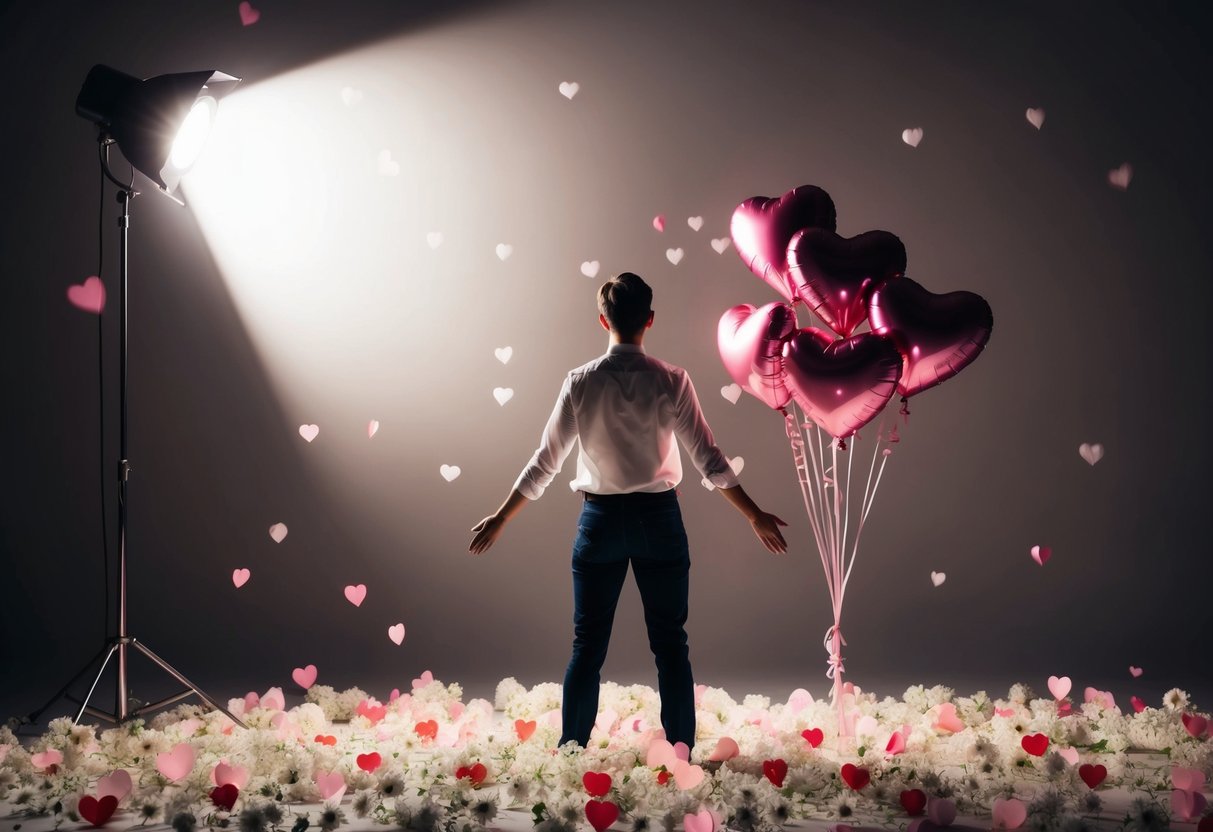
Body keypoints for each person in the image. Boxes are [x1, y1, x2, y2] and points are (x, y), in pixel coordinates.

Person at [469, 271, 787, 751]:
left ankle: (572, 748)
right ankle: (681, 751)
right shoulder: (672, 379)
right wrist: (753, 513)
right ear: (650, 320)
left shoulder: (580, 382)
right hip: (659, 521)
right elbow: (709, 457)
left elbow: (545, 463)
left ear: (603, 320)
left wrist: (500, 517)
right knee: (670, 646)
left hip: (599, 523)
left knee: (587, 646)